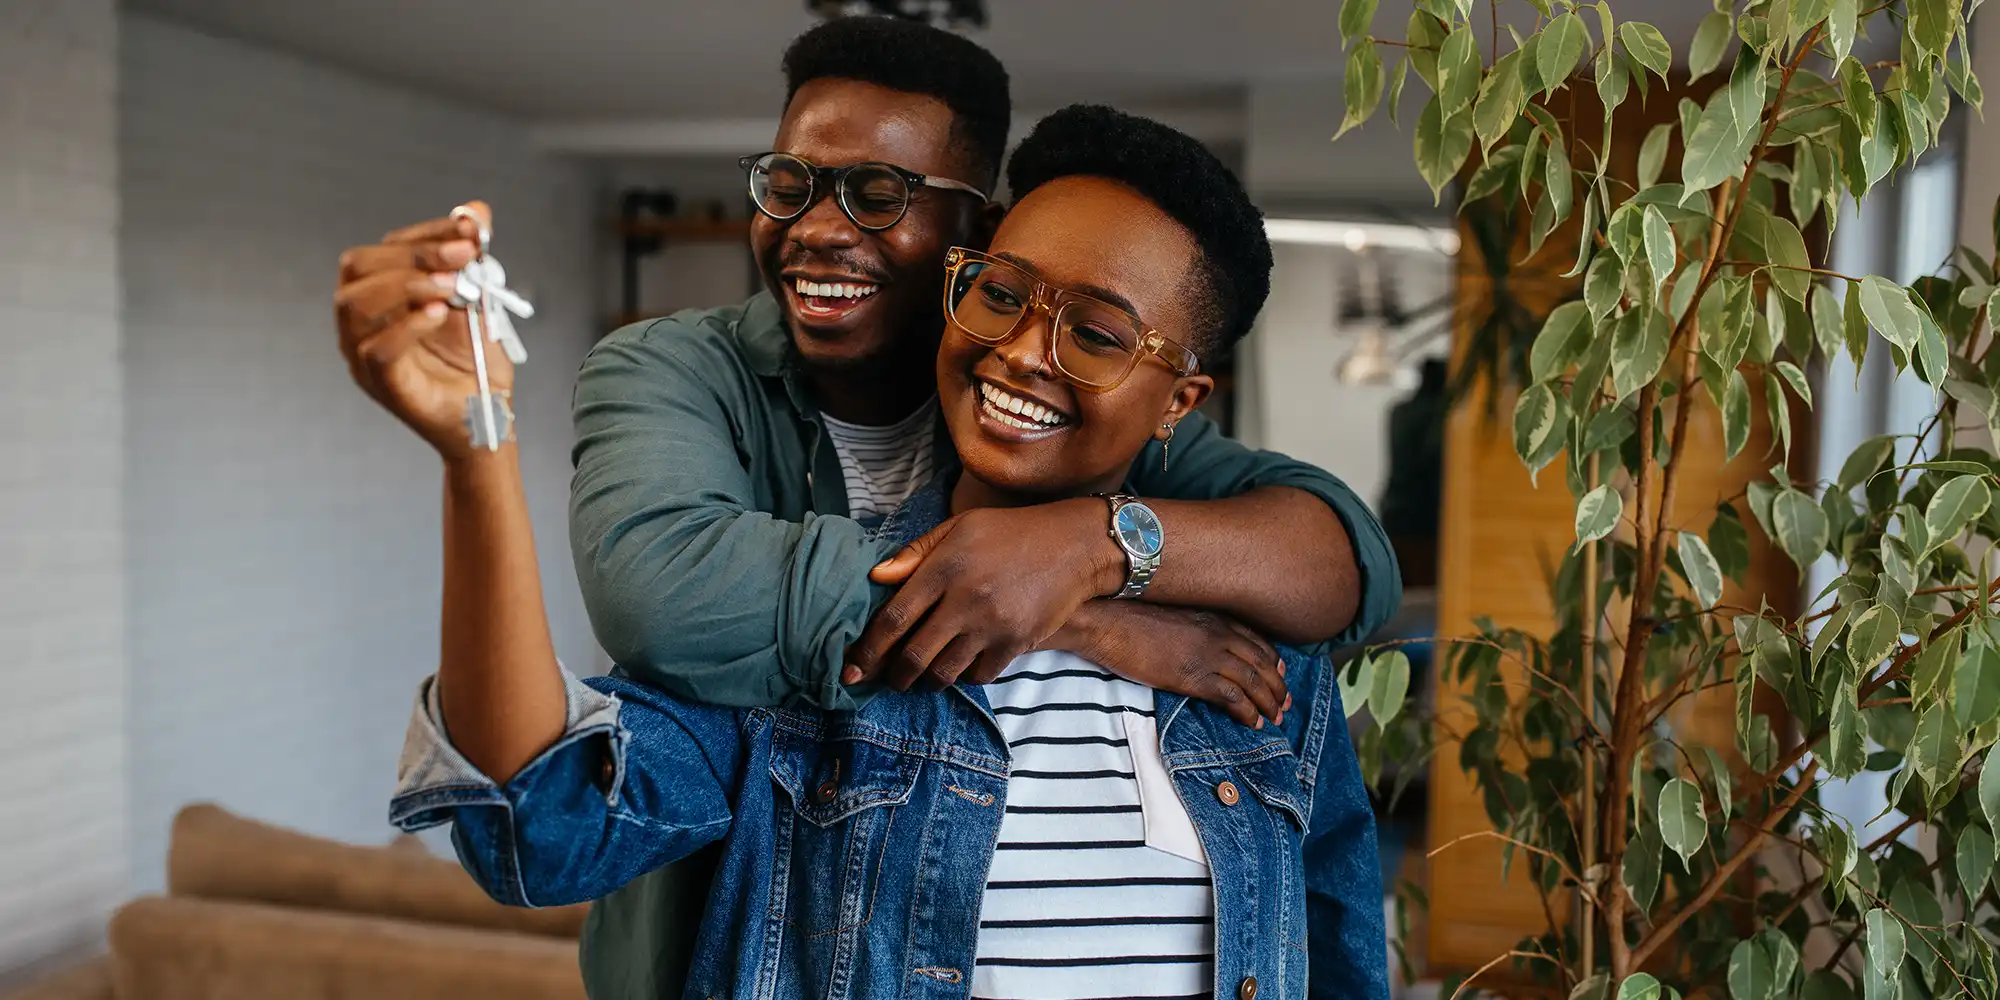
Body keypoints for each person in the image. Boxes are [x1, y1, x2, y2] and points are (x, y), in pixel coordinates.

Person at [332, 18, 1400, 997]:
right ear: (965, 283)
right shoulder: (806, 654)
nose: (1023, 351)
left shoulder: (1253, 670)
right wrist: (475, 454)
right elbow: (540, 821)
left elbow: (1337, 942)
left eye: (1097, 333)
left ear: (1179, 401)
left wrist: (1081, 553)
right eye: (1001, 294)